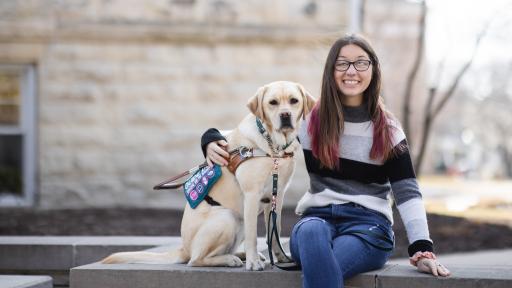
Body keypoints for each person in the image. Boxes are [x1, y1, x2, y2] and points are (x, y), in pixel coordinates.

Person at [201, 34, 450, 288]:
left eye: (361, 63)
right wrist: (210, 140)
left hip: (368, 228)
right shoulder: (310, 119)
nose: (351, 71)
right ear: (331, 71)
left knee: (325, 262)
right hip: (315, 221)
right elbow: (246, 133)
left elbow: (407, 191)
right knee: (311, 233)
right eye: (342, 63)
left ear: (373, 70)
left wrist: (422, 248)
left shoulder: (388, 130)